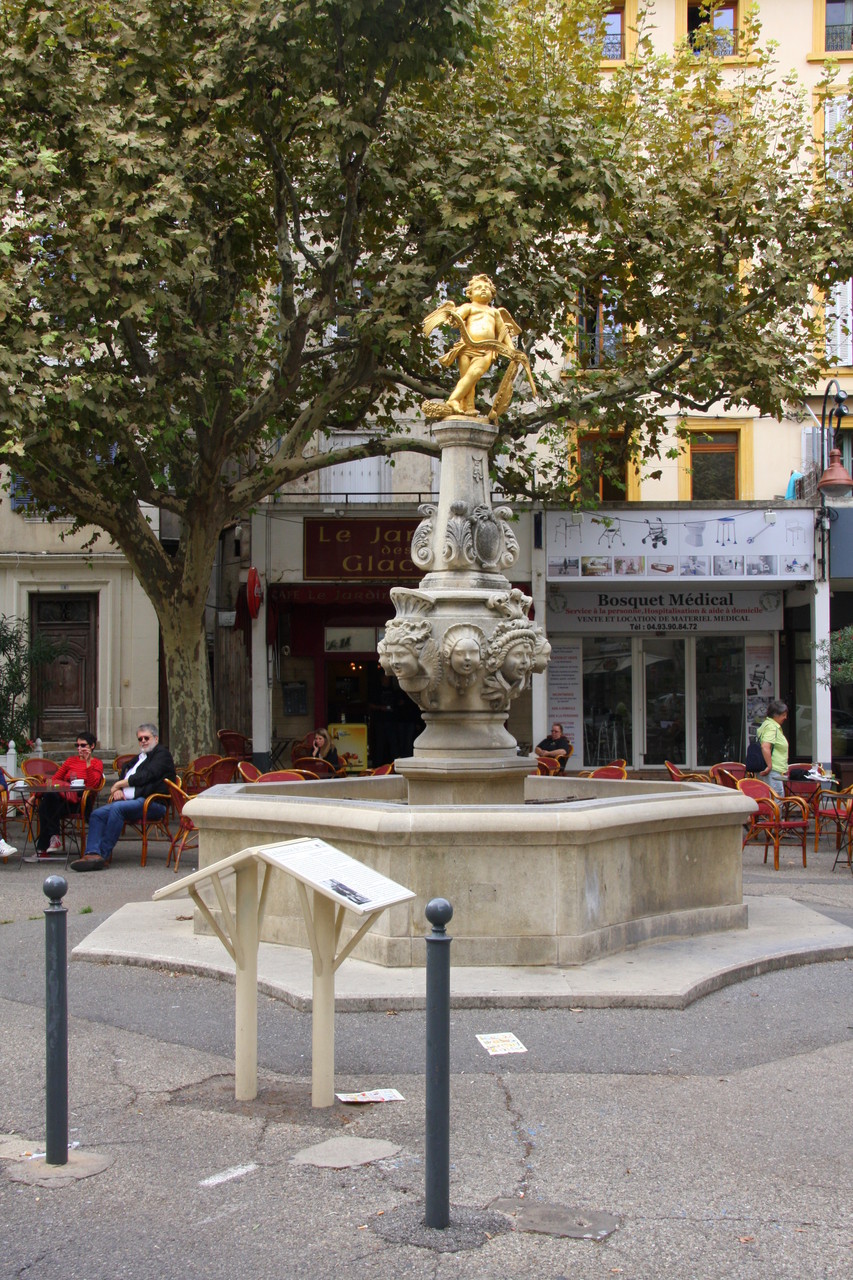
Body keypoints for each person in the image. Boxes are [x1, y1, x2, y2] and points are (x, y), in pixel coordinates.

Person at [70, 723, 175, 871]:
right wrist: (117, 791)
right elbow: (125, 767)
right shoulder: (142, 756)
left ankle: (103, 855)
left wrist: (119, 784)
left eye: (146, 738)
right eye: (140, 739)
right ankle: (92, 854)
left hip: (152, 803)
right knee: (97, 814)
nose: (143, 741)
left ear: (156, 739)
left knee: (117, 809)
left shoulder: (161, 754)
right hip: (131, 802)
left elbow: (147, 775)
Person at [22, 731, 104, 863]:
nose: (79, 749)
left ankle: (44, 849)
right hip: (61, 799)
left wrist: (88, 763)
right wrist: (33, 797)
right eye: (77, 745)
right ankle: (54, 838)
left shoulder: (96, 763)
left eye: (83, 745)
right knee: (48, 799)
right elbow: (53, 781)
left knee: (45, 807)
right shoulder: (70, 761)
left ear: (92, 746)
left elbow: (92, 785)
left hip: (80, 801)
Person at [756, 699, 789, 797]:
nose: (785, 717)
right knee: (776, 800)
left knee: (770, 799)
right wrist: (769, 766)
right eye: (783, 715)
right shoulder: (771, 727)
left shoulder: (768, 725)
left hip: (773, 770)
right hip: (772, 771)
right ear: (775, 715)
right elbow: (765, 746)